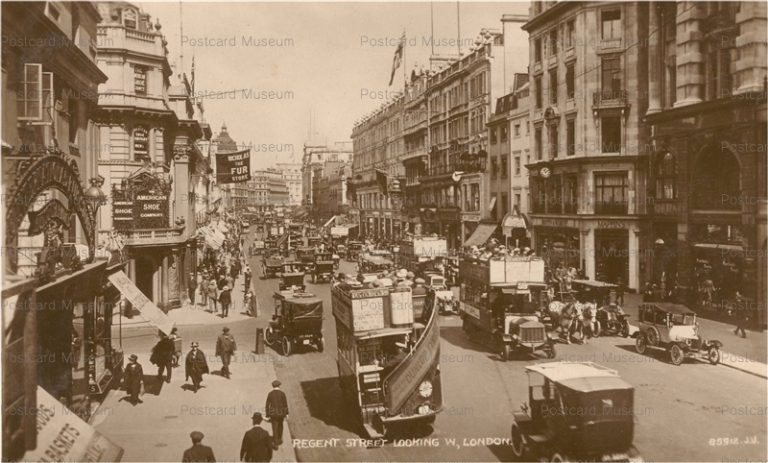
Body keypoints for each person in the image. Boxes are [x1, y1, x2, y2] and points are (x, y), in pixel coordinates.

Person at [265, 380, 288, 449]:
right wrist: (286, 413)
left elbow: (267, 405)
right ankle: (279, 439)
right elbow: (285, 404)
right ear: (279, 386)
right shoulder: (282, 394)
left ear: (273, 386)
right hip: (281, 414)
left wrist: (267, 414)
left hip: (273, 414)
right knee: (280, 426)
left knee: (274, 428)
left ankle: (275, 444)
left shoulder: (270, 394)